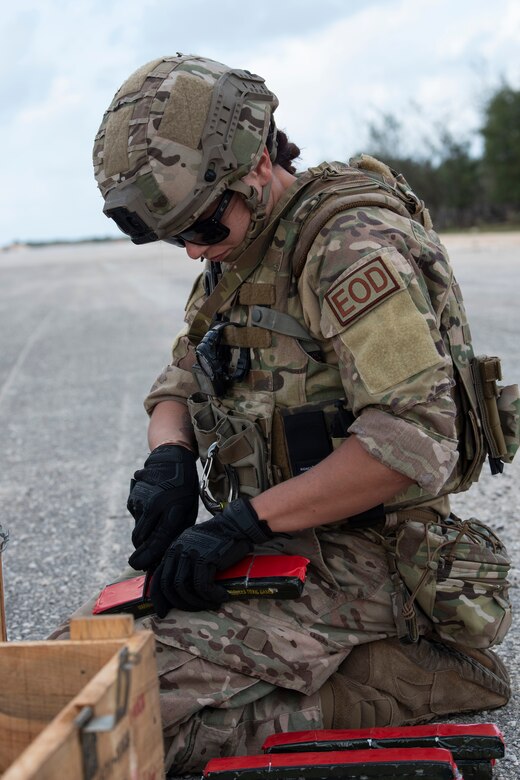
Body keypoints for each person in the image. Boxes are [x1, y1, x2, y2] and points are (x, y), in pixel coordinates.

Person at [88, 54, 516, 774]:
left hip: (376, 554)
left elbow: (412, 440)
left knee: (136, 720)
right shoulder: (243, 241)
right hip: (287, 540)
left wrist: (244, 523)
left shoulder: (349, 250)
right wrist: (168, 457)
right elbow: (188, 367)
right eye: (176, 238)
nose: (194, 249)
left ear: (257, 161)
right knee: (102, 667)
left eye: (202, 227)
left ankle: (408, 675)